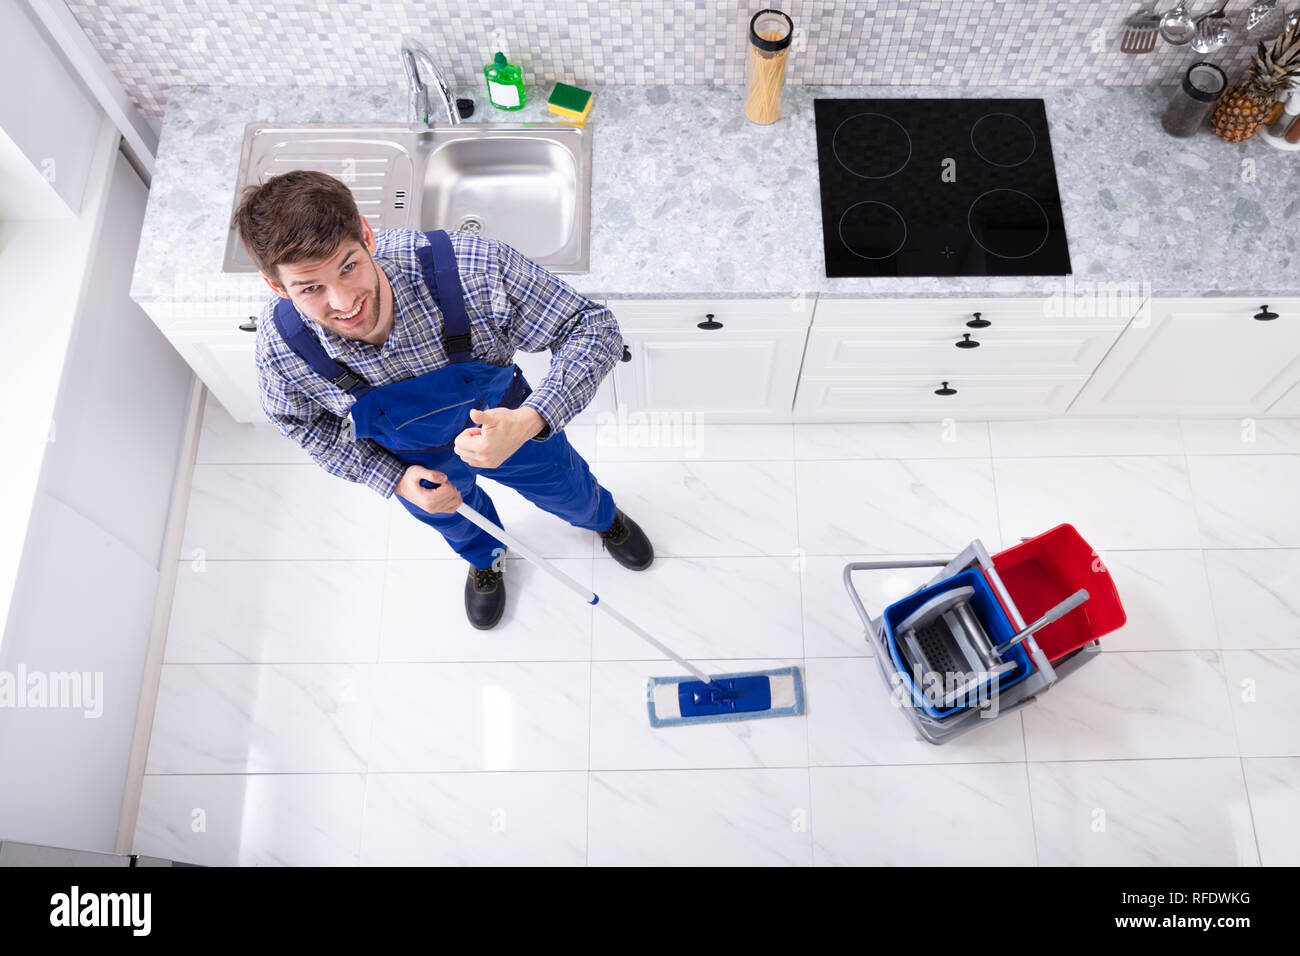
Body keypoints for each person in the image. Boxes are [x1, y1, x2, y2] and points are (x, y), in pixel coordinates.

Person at [233, 170, 653, 630]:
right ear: (276, 286)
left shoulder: (473, 270)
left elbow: (591, 328)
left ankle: (603, 519)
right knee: (458, 523)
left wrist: (531, 419)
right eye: (310, 288)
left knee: (568, 487)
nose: (344, 301)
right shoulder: (282, 349)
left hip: (509, 426)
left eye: (348, 266)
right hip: (415, 462)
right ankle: (486, 559)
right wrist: (391, 477)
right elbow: (301, 424)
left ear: (367, 235)